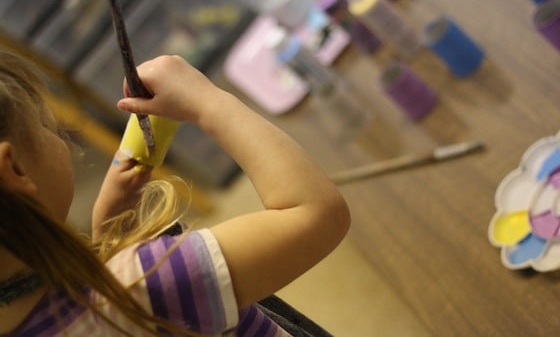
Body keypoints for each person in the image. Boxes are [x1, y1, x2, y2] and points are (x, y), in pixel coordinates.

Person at [0, 50, 350, 336]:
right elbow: (317, 213)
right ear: (14, 168)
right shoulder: (140, 288)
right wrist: (206, 101)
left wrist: (108, 239)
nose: (62, 137)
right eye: (48, 126)